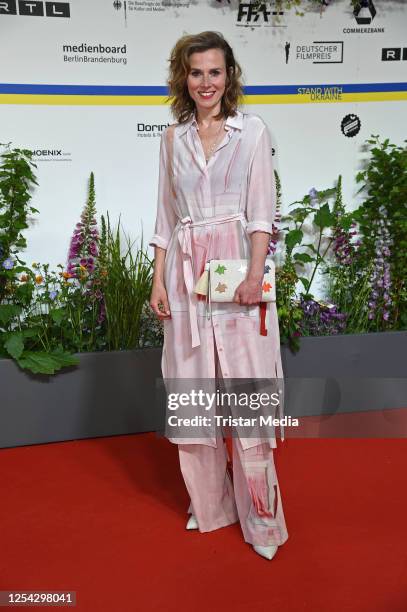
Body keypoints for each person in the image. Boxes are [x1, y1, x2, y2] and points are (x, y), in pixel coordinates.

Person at [149, 31, 289, 561]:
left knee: (249, 398)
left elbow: (261, 212)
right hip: (186, 279)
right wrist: (158, 277)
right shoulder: (171, 139)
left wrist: (255, 275)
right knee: (192, 397)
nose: (205, 82)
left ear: (229, 76)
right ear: (183, 78)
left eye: (215, 71)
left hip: (237, 273)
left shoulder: (252, 131)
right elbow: (165, 216)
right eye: (195, 72)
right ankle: (211, 506)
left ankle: (264, 522)